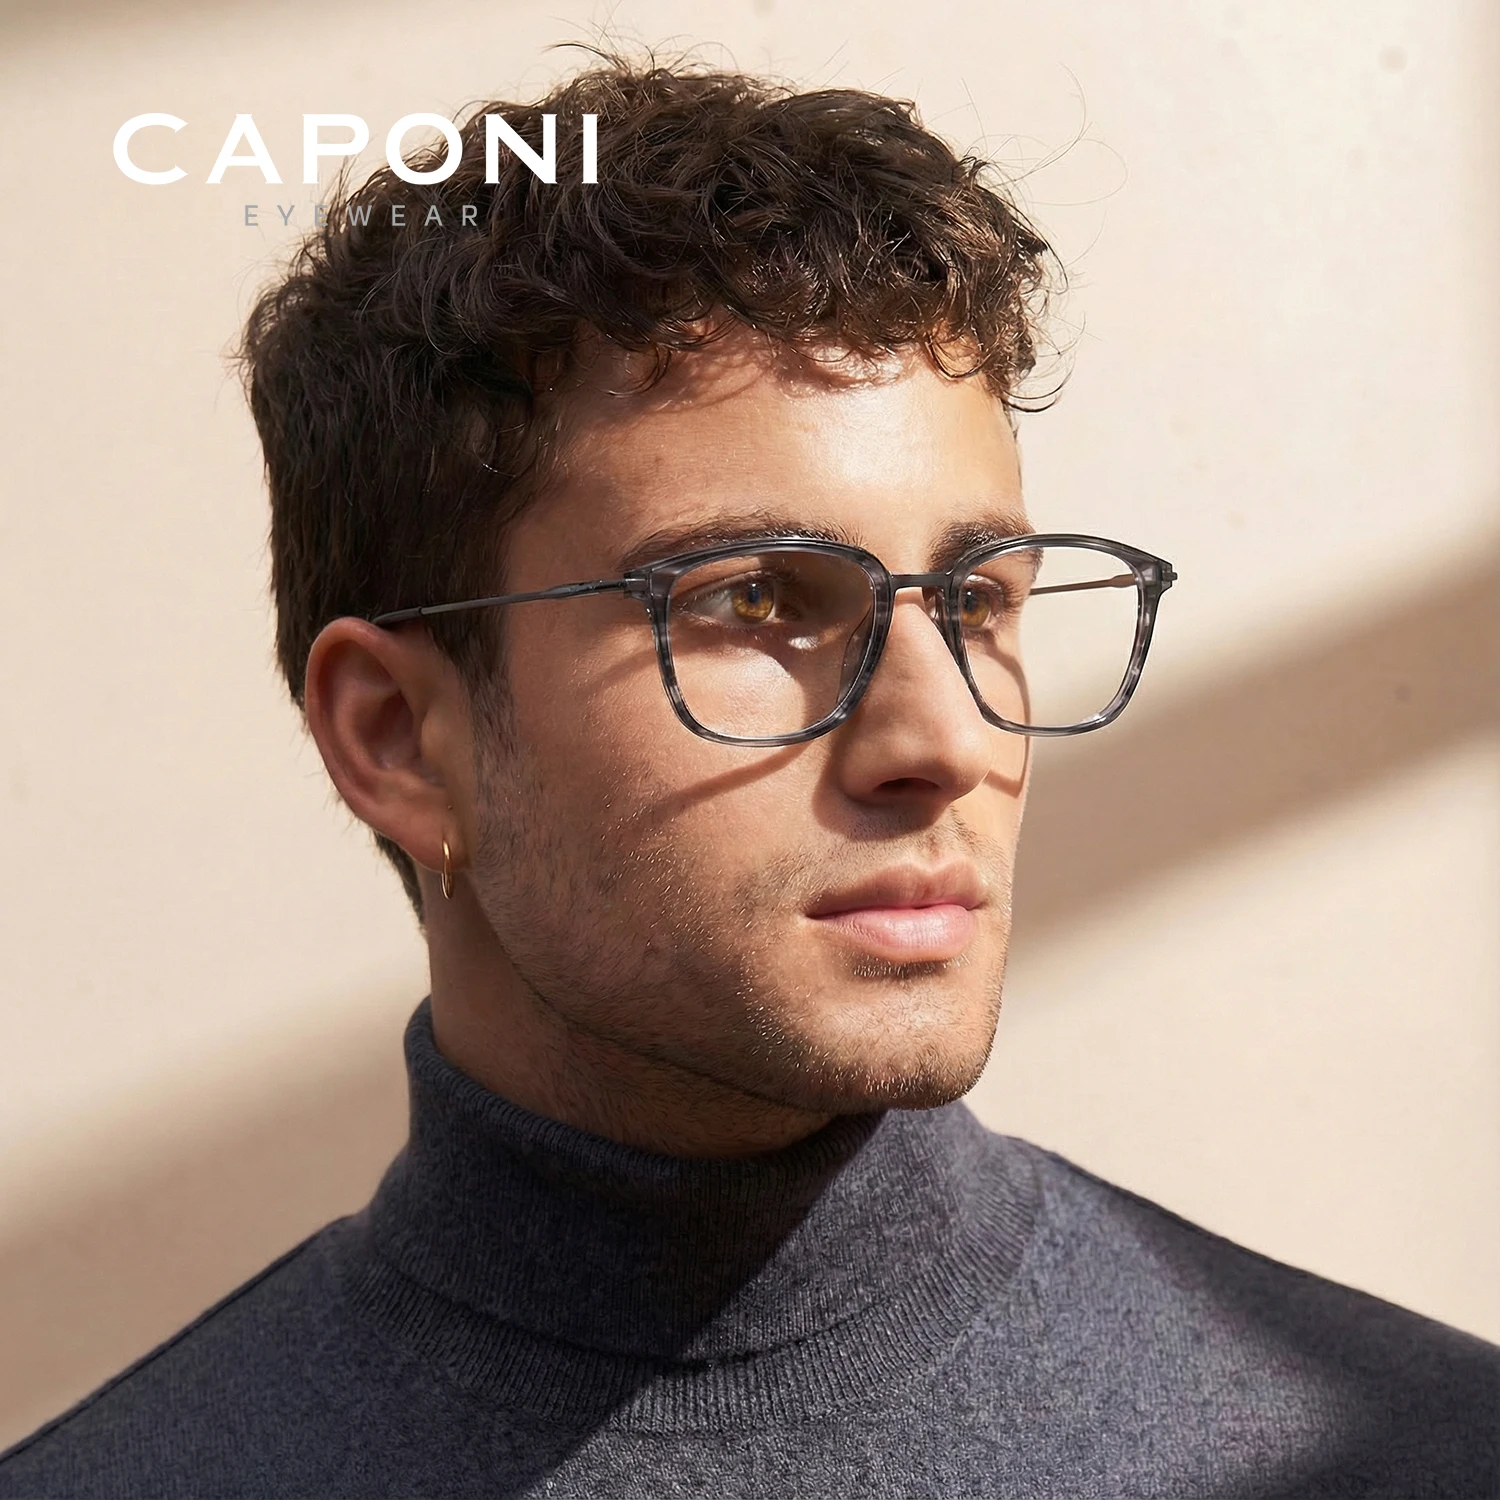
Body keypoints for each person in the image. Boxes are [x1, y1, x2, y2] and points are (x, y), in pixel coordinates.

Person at [2, 55, 1495, 1500]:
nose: (945, 743)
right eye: (756, 601)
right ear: (398, 737)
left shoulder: (1421, 1455)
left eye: (977, 601)